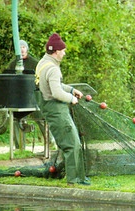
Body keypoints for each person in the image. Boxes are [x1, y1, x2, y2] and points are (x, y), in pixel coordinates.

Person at [35, 33, 90, 186]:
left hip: (50, 108)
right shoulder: (53, 69)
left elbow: (53, 85)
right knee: (72, 144)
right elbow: (56, 92)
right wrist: (71, 99)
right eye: (63, 50)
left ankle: (79, 178)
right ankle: (74, 180)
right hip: (56, 110)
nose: (64, 53)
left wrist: (72, 90)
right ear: (56, 51)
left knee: (73, 143)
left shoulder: (42, 63)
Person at [6, 40, 55, 150]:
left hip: (34, 98)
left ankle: (51, 144)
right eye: (19, 47)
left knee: (42, 119)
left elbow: (43, 79)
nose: (22, 49)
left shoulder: (35, 63)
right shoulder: (12, 64)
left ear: (27, 49)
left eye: (23, 47)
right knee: (16, 120)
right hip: (19, 100)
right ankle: (20, 148)